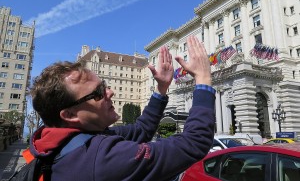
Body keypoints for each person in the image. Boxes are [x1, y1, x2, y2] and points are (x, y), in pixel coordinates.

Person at [24, 35, 216, 181]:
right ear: (70, 114)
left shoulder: (69, 143)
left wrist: (161, 89)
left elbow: (142, 130)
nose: (111, 92)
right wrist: (204, 79)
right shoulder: (101, 158)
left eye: (105, 85)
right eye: (98, 92)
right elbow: (194, 142)